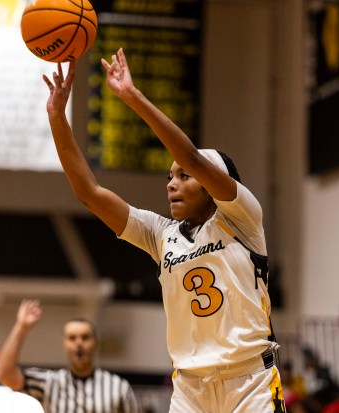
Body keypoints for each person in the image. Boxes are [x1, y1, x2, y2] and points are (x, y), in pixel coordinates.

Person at [41, 48, 285, 412]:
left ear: (210, 183)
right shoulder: (161, 234)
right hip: (190, 387)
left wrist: (132, 97)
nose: (171, 183)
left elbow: (190, 155)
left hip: (249, 381)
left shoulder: (241, 217)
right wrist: (57, 116)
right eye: (169, 177)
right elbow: (89, 194)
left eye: (183, 177)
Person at [0, 299, 141, 413]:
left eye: (85, 337)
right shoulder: (50, 382)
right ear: (64, 344)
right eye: (72, 338)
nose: (79, 343)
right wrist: (22, 327)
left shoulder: (118, 386)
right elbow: (5, 374)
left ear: (95, 343)